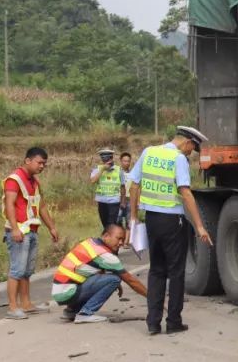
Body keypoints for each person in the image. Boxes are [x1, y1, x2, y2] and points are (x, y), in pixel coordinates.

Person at [128, 126, 213, 336]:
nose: (189, 154)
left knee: (156, 270)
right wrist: (200, 225)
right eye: (191, 149)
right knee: (176, 272)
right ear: (187, 142)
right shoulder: (178, 159)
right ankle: (173, 321)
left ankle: (153, 323)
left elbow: (133, 185)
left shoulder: (149, 152)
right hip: (172, 221)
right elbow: (185, 193)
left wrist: (132, 217)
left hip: (152, 221)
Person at [2, 146, 59, 320]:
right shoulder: (14, 179)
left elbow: (41, 206)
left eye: (44, 164)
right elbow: (10, 204)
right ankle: (13, 307)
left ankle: (26, 305)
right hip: (20, 231)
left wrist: (51, 227)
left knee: (26, 271)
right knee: (17, 270)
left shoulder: (34, 181)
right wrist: (15, 228)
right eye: (39, 162)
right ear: (28, 160)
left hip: (32, 230)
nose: (42, 166)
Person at [51, 224, 147, 323]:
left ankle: (72, 311)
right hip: (67, 292)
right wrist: (151, 297)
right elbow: (131, 281)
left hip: (60, 290)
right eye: (118, 238)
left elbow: (94, 270)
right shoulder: (105, 255)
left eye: (122, 240)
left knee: (110, 278)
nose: (121, 243)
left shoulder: (91, 242)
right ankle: (85, 313)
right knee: (115, 279)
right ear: (106, 236)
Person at [89, 148, 125, 229]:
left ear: (112, 158)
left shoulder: (119, 170)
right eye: (104, 159)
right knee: (105, 224)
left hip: (114, 201)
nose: (106, 161)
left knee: (111, 224)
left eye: (108, 159)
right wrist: (102, 170)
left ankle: (112, 239)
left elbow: (123, 187)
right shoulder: (98, 169)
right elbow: (92, 181)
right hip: (102, 201)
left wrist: (123, 202)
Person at [117, 151, 133, 227]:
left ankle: (128, 238)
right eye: (124, 161)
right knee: (118, 220)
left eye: (128, 161)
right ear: (121, 161)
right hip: (118, 199)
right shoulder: (117, 172)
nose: (126, 163)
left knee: (128, 222)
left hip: (129, 200)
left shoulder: (133, 173)